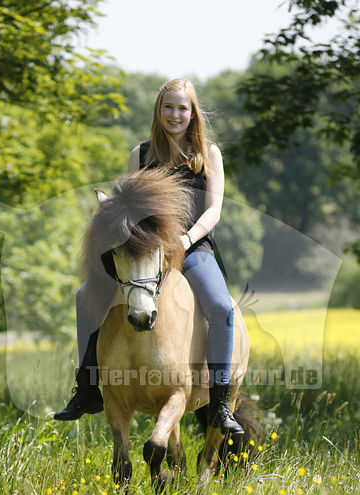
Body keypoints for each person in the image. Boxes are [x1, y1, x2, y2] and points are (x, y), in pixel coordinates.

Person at [54, 78, 243, 438]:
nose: (175, 114)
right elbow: (126, 209)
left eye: (182, 108)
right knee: (84, 297)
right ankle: (88, 387)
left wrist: (186, 240)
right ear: (159, 110)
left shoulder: (209, 154)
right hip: (144, 251)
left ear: (193, 112)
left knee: (221, 308)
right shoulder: (140, 154)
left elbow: (214, 210)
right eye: (168, 107)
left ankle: (219, 402)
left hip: (192, 248)